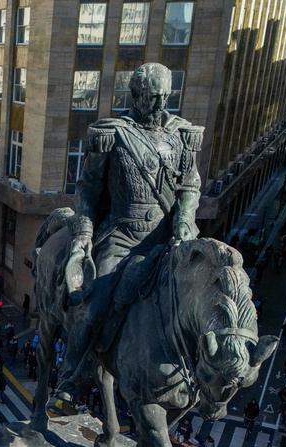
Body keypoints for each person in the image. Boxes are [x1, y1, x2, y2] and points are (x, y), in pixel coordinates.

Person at [32, 62, 203, 413]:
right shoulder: (112, 133)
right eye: (153, 97)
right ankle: (68, 379)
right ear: (136, 95)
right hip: (122, 235)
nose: (159, 105)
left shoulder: (181, 134)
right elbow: (88, 190)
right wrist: (82, 235)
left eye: (164, 97)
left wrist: (185, 218)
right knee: (95, 304)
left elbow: (190, 185)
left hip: (168, 237)